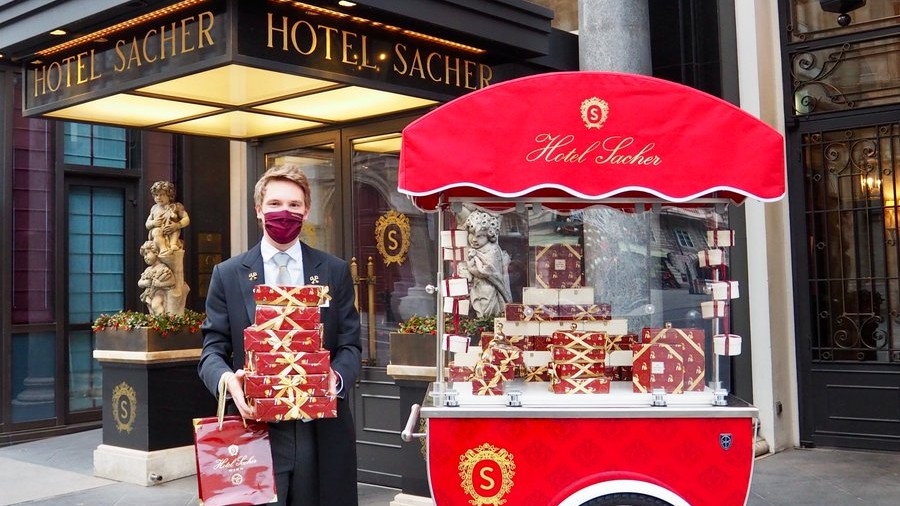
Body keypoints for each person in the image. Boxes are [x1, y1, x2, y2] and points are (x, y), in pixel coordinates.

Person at [198, 165, 362, 506]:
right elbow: (212, 349)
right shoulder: (228, 274)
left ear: (306, 210)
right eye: (274, 204)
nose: (283, 213)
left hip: (321, 430)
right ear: (259, 210)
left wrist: (337, 378)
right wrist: (226, 379)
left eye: (293, 204)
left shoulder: (333, 270)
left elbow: (350, 345)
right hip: (256, 426)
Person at [462, 210, 512, 318]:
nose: (474, 239)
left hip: (489, 289)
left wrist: (470, 268)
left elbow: (486, 271)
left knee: (486, 311)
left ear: (489, 235)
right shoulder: (471, 249)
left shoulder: (492, 250)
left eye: (480, 236)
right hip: (476, 287)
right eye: (472, 234)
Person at [145, 181, 190, 255]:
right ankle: (163, 249)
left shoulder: (176, 206)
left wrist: (177, 225)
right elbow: (147, 224)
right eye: (156, 195)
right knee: (156, 231)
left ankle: (173, 244)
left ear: (170, 195)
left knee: (174, 229)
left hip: (172, 232)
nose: (158, 197)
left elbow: (186, 219)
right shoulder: (154, 208)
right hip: (158, 234)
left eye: (162, 195)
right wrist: (153, 223)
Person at [138, 240, 175, 315]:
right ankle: (155, 322)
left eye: (146, 254)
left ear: (156, 252)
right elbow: (139, 282)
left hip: (159, 292)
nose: (145, 257)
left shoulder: (162, 268)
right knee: (151, 308)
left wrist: (159, 284)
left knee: (155, 305)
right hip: (149, 293)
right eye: (144, 256)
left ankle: (162, 321)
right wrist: (145, 283)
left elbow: (172, 281)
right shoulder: (148, 269)